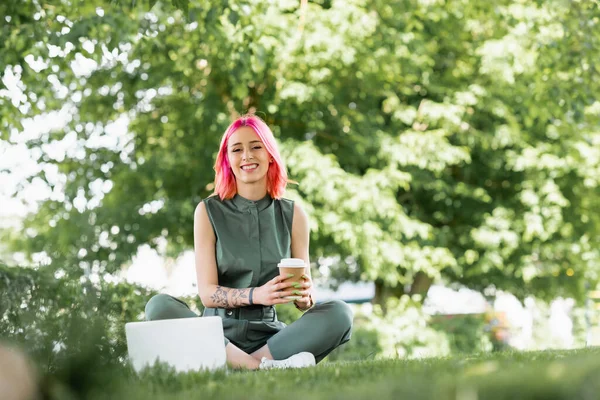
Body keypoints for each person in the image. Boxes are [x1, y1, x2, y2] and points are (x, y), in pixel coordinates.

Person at [144, 114, 353, 370]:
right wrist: (257, 295)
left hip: (270, 338)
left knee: (340, 313)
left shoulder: (294, 214)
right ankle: (262, 369)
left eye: (256, 146)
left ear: (270, 154)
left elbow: (303, 299)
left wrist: (305, 296)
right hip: (216, 335)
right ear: (227, 160)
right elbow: (208, 294)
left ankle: (241, 366)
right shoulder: (208, 211)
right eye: (237, 149)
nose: (247, 156)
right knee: (159, 307)